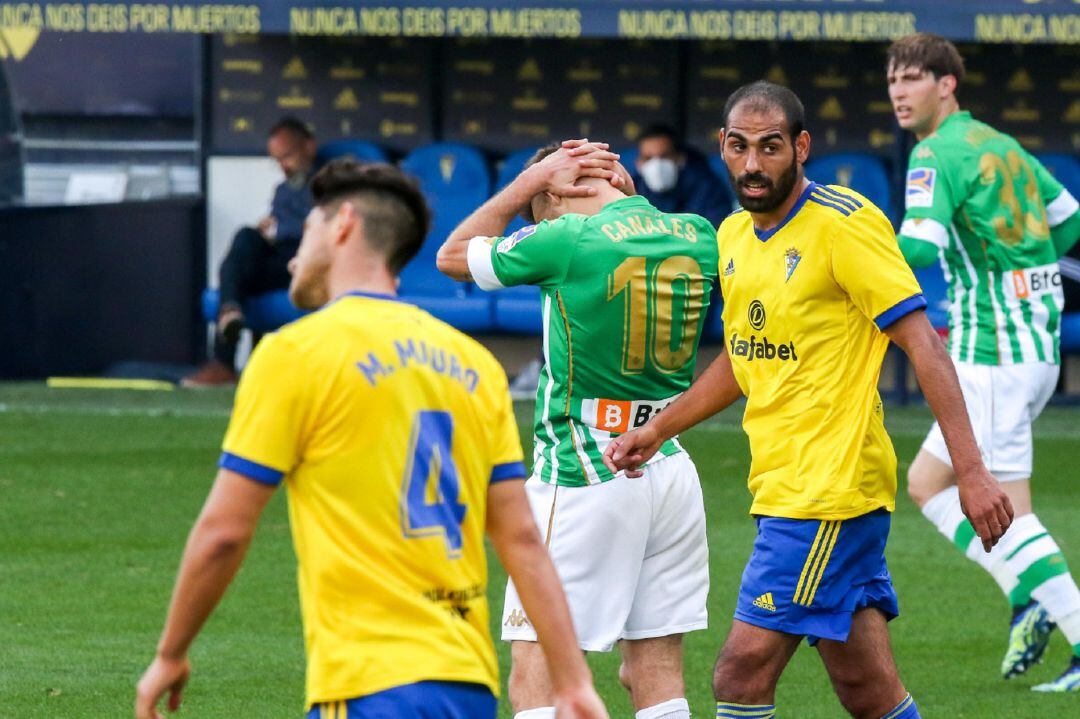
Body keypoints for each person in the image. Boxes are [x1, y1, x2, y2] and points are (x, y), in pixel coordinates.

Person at [135, 159, 610, 719]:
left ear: (342, 226)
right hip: (466, 687)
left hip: (368, 686)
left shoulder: (295, 352)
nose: (293, 253)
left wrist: (171, 652)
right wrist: (574, 683)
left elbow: (224, 533)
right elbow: (522, 541)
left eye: (308, 229)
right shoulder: (473, 364)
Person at [604, 81, 1014, 719]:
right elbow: (744, 360)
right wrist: (659, 428)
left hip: (829, 492)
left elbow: (923, 346)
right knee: (867, 691)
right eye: (738, 147)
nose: (752, 164)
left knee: (739, 673)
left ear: (801, 146)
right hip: (781, 485)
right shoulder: (734, 236)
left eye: (770, 148)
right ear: (721, 147)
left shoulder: (844, 224)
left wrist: (971, 469)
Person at [437, 139, 718, 719]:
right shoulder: (696, 231)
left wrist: (527, 179)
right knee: (657, 674)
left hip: (585, 463)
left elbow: (452, 255)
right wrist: (627, 198)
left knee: (536, 672)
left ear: (556, 195)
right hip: (668, 461)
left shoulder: (565, 239)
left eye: (536, 210)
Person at [886, 33, 1080, 692]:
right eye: (892, 82)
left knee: (994, 507)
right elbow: (1070, 221)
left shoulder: (934, 155)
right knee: (931, 485)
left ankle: (1070, 623)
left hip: (992, 353)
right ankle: (1030, 597)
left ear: (947, 84)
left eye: (913, 78)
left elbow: (917, 245)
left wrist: (848, 254)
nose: (899, 92)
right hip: (1035, 347)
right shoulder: (1005, 145)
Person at [182, 117, 318, 387]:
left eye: (287, 156)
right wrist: (267, 229)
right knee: (246, 238)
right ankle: (229, 315)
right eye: (276, 160)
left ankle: (225, 360)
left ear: (309, 147)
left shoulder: (328, 182)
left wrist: (282, 229)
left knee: (240, 276)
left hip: (306, 261)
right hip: (278, 259)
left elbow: (317, 226)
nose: (283, 167)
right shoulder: (283, 190)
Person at [629, 124, 732, 228]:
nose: (657, 165)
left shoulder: (708, 190)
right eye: (648, 158)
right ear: (638, 163)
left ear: (680, 158)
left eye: (664, 156)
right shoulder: (630, 192)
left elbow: (715, 231)